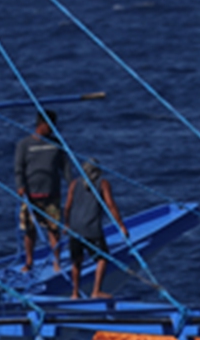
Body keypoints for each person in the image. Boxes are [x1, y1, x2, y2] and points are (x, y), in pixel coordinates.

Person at [64, 159, 128, 299]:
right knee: (102, 258)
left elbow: (68, 206)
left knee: (76, 261)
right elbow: (111, 205)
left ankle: (75, 293)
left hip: (75, 228)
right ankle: (96, 291)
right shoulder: (102, 184)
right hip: (91, 227)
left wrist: (67, 224)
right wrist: (121, 226)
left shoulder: (75, 184)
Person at [14, 109, 68, 273]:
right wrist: (20, 185)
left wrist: (73, 184)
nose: (53, 129)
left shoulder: (57, 144)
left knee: (54, 229)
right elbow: (19, 168)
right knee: (29, 231)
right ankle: (29, 262)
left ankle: (56, 261)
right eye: (50, 125)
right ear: (42, 125)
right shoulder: (24, 145)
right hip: (31, 196)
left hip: (52, 194)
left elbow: (65, 167)